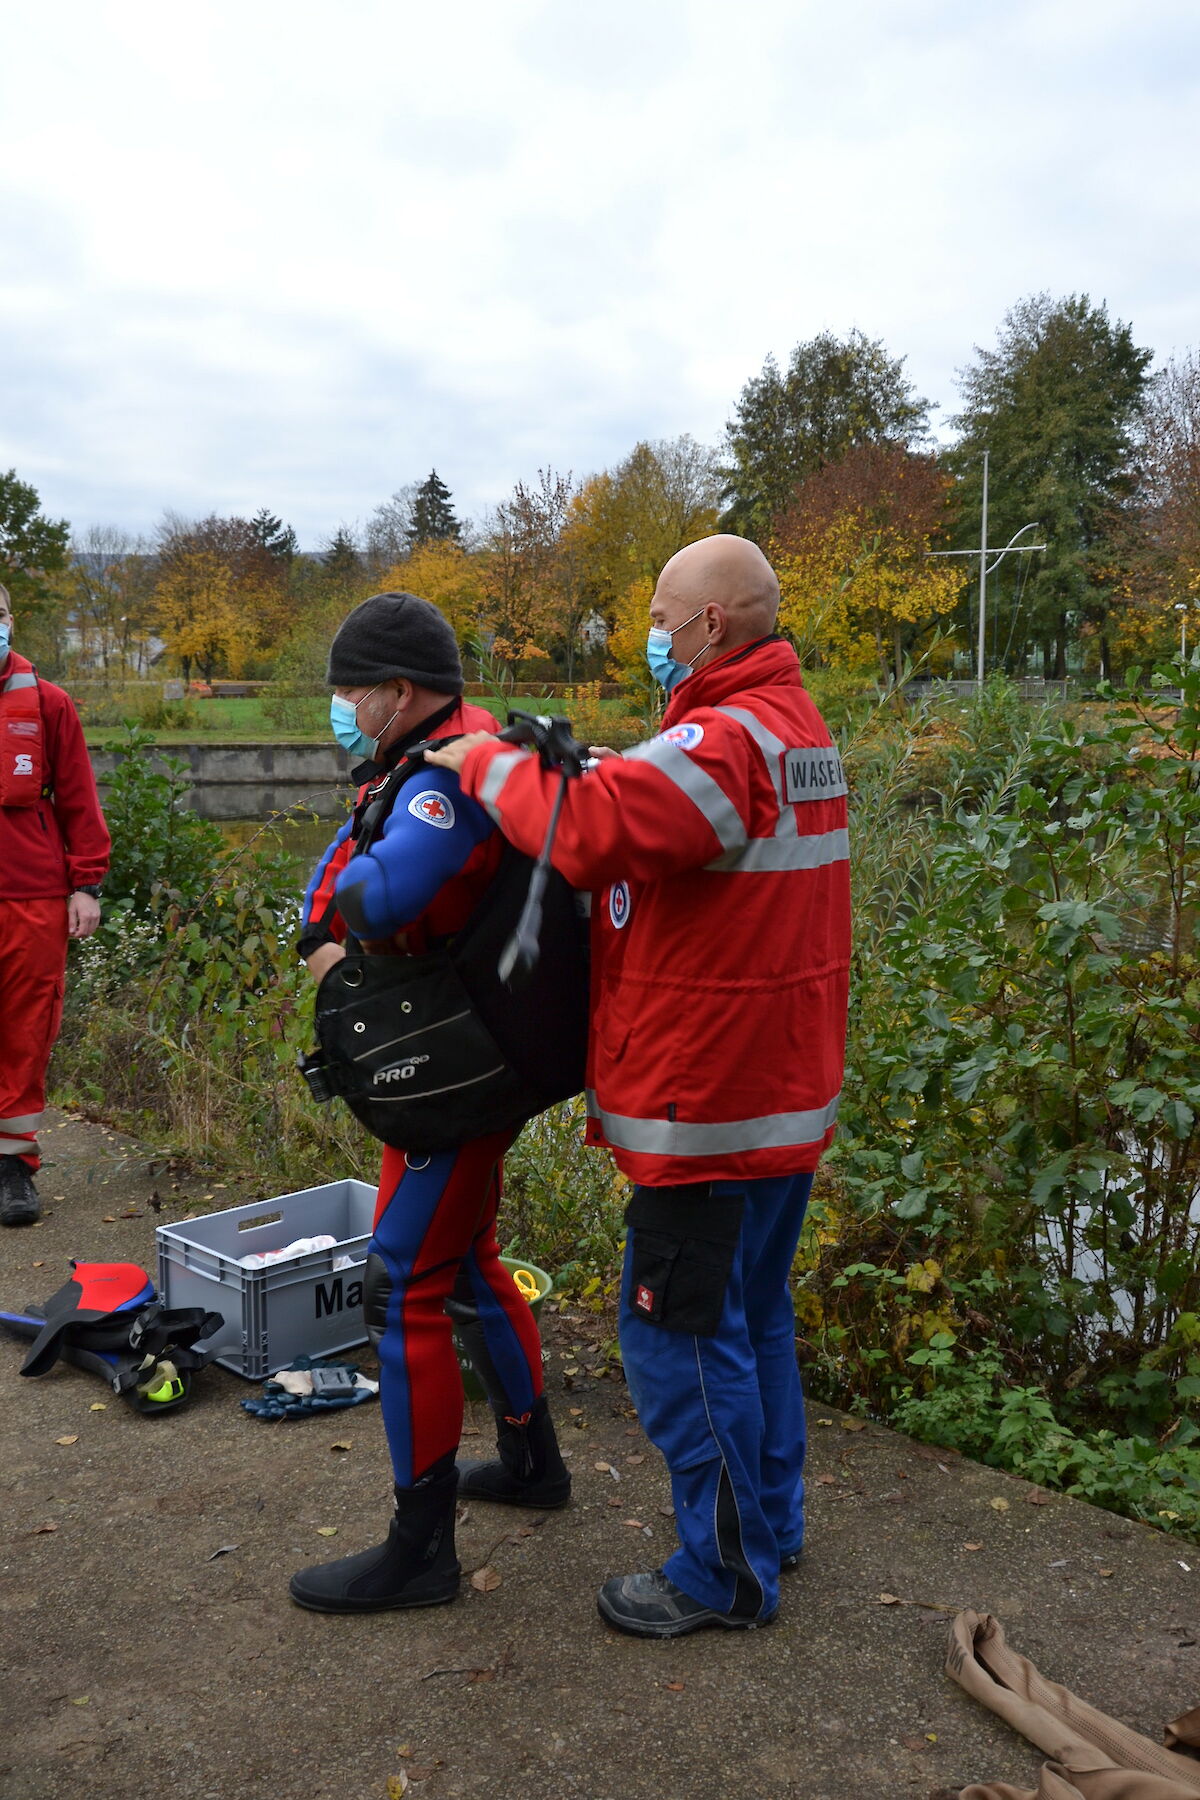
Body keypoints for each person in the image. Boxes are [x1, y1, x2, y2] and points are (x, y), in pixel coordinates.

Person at [427, 535, 851, 1639]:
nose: (651, 637)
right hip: (778, 1098)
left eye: (662, 618)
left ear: (713, 624)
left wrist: (478, 764)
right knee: (752, 1320)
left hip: (710, 1111)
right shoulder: (792, 730)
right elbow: (680, 813)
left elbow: (590, 832)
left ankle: (723, 1575)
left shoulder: (724, 741)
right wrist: (629, 757)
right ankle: (773, 1524)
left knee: (678, 1341)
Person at [289, 590, 571, 1615]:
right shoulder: (457, 745)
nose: (342, 706)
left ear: (401, 692)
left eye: (350, 690)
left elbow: (386, 893)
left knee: (400, 1284)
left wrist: (331, 924)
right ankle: (534, 1463)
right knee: (469, 1262)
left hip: (460, 1071)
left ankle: (421, 1550)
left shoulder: (443, 778)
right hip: (473, 1050)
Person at [0, 583, 109, 1227]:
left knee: (26, 1026)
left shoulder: (48, 704)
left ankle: (13, 1163)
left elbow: (78, 799)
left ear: (12, 620)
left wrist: (86, 885)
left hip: (32, 893)